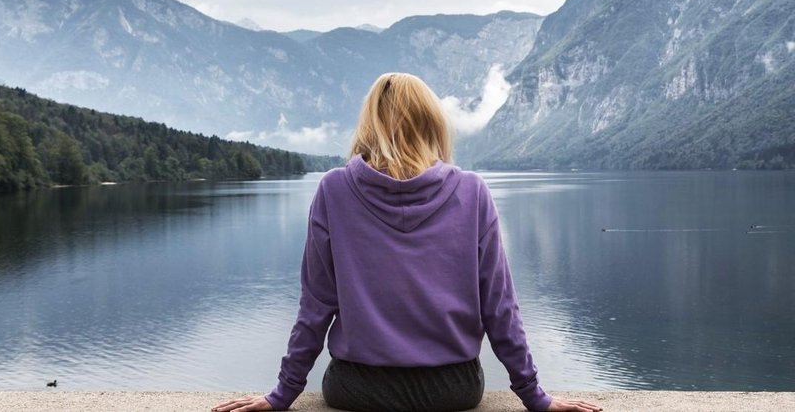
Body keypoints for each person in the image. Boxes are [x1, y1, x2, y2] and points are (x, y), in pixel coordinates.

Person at [212, 73, 600, 412]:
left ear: (368, 124)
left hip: (357, 388)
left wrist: (284, 393)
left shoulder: (333, 190)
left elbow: (316, 304)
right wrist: (534, 395)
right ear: (432, 123)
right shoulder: (472, 191)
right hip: (454, 389)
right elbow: (499, 307)